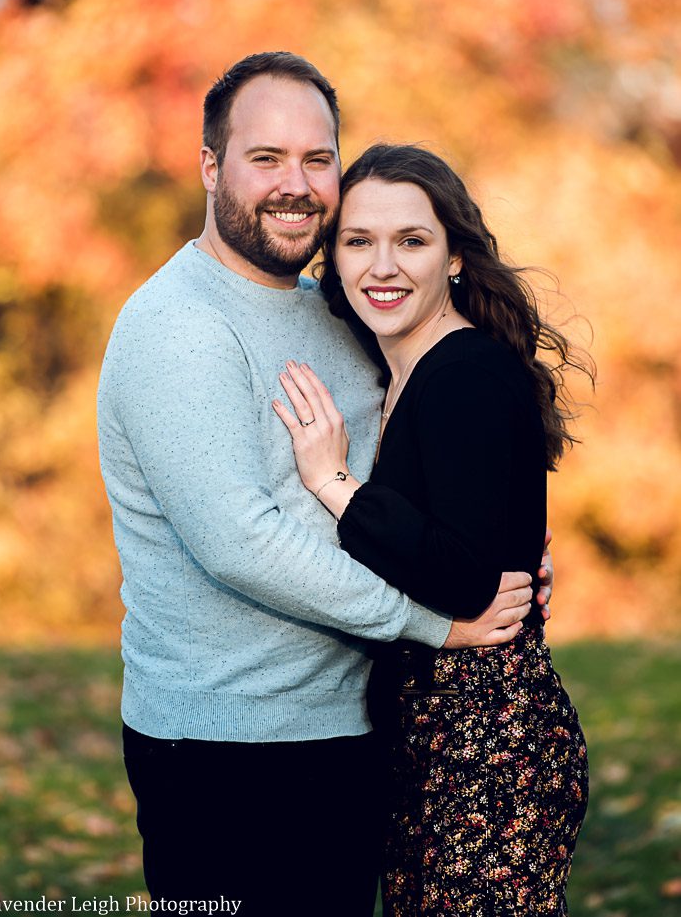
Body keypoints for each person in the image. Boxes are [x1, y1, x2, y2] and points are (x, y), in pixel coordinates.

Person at [97, 53, 553, 916]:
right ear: (209, 166)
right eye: (264, 157)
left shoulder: (340, 306)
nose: (296, 184)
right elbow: (243, 542)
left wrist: (497, 541)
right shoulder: (176, 327)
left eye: (317, 159)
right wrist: (439, 623)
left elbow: (419, 473)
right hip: (224, 747)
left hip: (358, 729)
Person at [274, 143, 589, 915]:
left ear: (453, 255)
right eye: (359, 241)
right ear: (335, 259)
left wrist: (333, 482)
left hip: (490, 747)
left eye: (411, 240)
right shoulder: (402, 371)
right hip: (435, 744)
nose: (384, 265)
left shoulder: (466, 374)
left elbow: (463, 577)